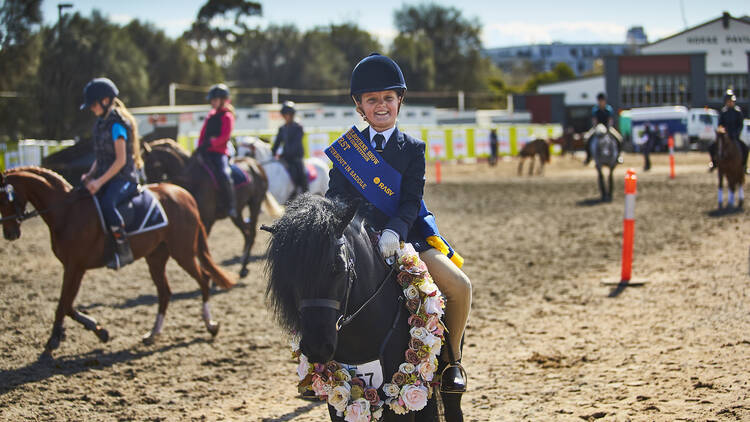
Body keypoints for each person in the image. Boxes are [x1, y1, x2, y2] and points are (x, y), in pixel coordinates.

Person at [326, 53, 472, 395]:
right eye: (372, 99)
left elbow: (409, 201)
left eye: (388, 98)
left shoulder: (413, 149)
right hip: (358, 241)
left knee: (461, 286)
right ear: (359, 105)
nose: (381, 106)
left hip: (406, 238)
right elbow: (336, 199)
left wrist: (394, 231)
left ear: (399, 101)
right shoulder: (348, 152)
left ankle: (453, 361)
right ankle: (317, 358)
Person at [80, 78, 142, 270]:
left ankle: (124, 250)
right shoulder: (101, 124)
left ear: (105, 100)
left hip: (124, 178)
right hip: (108, 176)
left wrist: (98, 183)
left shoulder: (117, 125)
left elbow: (120, 160)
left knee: (107, 203)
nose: (91, 108)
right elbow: (101, 157)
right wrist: (90, 175)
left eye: (93, 104)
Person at [196, 83, 237, 218]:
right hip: (205, 150)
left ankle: (231, 205)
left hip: (220, 153)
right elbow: (203, 133)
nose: (212, 103)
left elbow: (225, 137)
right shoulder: (210, 115)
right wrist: (201, 145)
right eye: (212, 100)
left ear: (223, 100)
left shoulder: (227, 116)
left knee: (224, 174)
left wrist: (211, 142)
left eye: (215, 100)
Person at [272, 101, 308, 198]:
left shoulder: (298, 127)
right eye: (284, 114)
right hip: (285, 158)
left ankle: (304, 193)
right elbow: (277, 143)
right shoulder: (282, 128)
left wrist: (284, 154)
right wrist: (273, 153)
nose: (285, 117)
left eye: (287, 114)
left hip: (296, 157)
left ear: (292, 115)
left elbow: (295, 144)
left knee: (300, 173)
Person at [710, 89, 748, 174]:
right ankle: (714, 163)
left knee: (745, 148)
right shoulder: (723, 112)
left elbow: (740, 125)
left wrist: (736, 134)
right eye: (728, 101)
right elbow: (720, 125)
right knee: (711, 147)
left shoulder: (738, 112)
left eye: (731, 101)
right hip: (725, 137)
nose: (730, 102)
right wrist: (723, 133)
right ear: (726, 102)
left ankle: (744, 166)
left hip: (735, 136)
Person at [584, 93, 623, 165]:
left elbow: (610, 120)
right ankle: (588, 157)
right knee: (586, 138)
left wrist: (608, 127)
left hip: (607, 127)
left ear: (604, 101)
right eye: (599, 101)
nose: (601, 102)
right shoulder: (595, 110)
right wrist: (596, 128)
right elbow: (594, 120)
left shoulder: (608, 109)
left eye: (602, 100)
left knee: (619, 138)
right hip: (597, 128)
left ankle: (618, 156)